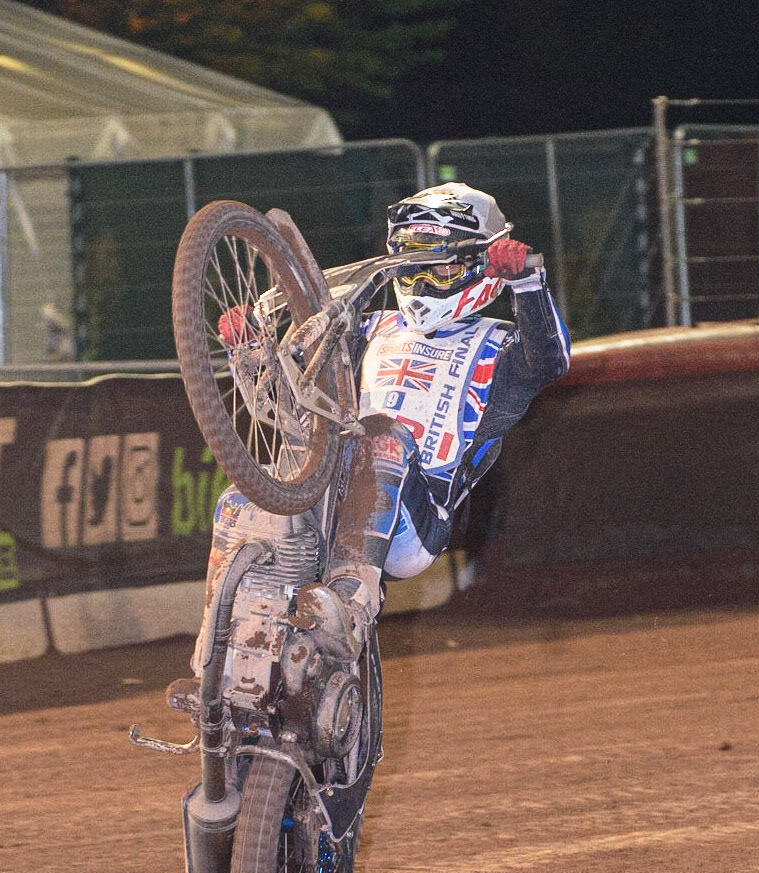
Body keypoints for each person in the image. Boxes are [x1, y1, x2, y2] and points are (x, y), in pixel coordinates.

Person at [216, 182, 570, 663]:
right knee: (239, 499)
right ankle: (214, 654)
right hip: (331, 490)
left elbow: (548, 362)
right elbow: (299, 409)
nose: (423, 279)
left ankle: (353, 604)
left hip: (415, 519)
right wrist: (254, 351)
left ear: (477, 262)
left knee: (381, 434)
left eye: (438, 265)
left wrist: (527, 285)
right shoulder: (369, 327)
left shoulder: (501, 347)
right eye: (413, 263)